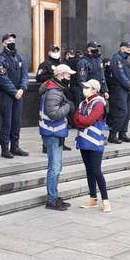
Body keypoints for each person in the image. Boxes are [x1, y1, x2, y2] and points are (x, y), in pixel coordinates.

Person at [38, 64, 75, 211]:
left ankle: (54, 195)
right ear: (60, 75)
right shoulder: (54, 91)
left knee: (57, 166)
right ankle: (51, 200)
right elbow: (53, 113)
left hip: (55, 132)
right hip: (52, 132)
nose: (69, 78)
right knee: (54, 167)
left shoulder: (56, 89)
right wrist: (68, 106)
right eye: (67, 75)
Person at [73, 79, 111, 213]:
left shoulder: (99, 102)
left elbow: (88, 119)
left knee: (96, 170)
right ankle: (93, 198)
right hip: (84, 141)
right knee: (89, 170)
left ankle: (105, 200)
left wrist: (81, 121)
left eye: (88, 87)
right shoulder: (82, 103)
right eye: (84, 87)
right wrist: (82, 121)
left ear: (94, 89)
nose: (85, 89)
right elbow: (75, 119)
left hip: (95, 142)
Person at [0, 33, 30, 158]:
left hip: (19, 94)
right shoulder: (0, 59)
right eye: (9, 40)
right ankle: (5, 148)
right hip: (7, 95)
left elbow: (25, 74)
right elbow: (2, 78)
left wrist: (22, 88)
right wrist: (14, 92)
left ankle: (15, 146)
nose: (12, 42)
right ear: (4, 43)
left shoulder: (19, 57)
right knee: (7, 122)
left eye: (13, 40)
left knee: (16, 121)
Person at [107, 42, 130, 144]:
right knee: (121, 112)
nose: (129, 49)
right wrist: (129, 84)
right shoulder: (117, 58)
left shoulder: (125, 60)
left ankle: (123, 133)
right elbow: (119, 74)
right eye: (128, 48)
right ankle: (113, 134)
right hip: (119, 89)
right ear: (122, 48)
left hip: (127, 89)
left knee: (127, 112)